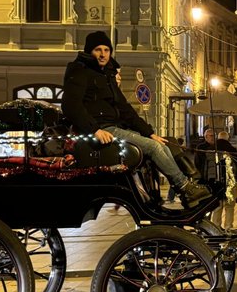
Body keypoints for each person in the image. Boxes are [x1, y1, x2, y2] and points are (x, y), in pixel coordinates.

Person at [62, 31, 210, 207]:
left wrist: (150, 132)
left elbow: (125, 110)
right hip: (102, 130)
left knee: (164, 142)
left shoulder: (107, 75)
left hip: (113, 127)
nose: (103, 54)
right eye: (97, 50)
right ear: (89, 51)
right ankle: (184, 187)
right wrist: (94, 129)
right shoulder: (80, 71)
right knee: (153, 148)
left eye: (106, 50)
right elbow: (71, 105)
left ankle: (190, 185)